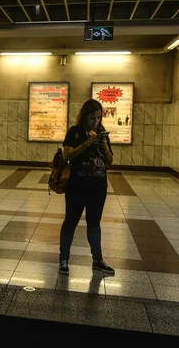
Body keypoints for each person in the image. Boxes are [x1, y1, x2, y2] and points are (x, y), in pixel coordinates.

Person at [58, 99, 115, 277]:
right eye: (92, 117)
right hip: (77, 185)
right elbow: (67, 154)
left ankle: (97, 260)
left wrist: (104, 146)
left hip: (98, 186)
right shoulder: (74, 132)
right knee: (71, 221)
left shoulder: (101, 134)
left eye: (98, 117)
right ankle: (64, 259)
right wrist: (86, 144)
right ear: (84, 116)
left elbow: (110, 161)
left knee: (94, 223)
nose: (96, 121)